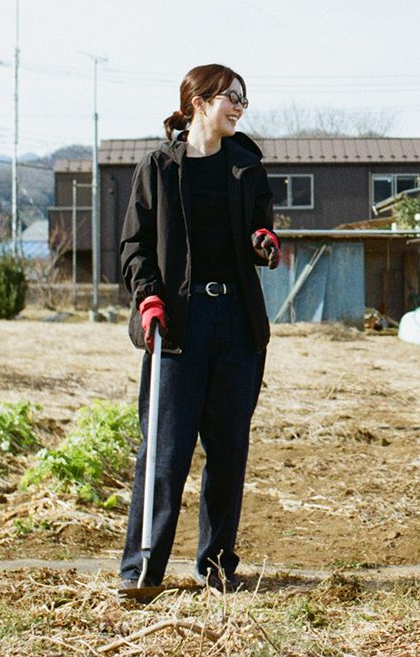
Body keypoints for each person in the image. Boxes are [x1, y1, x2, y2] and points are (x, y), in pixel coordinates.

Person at [118, 63, 281, 592]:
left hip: (236, 324)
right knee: (164, 454)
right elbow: (135, 246)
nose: (239, 107)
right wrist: (148, 298)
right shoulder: (159, 167)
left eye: (243, 99)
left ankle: (216, 569)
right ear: (198, 103)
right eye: (231, 97)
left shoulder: (247, 167)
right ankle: (142, 571)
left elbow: (261, 225)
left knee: (228, 453)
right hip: (178, 326)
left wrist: (263, 240)